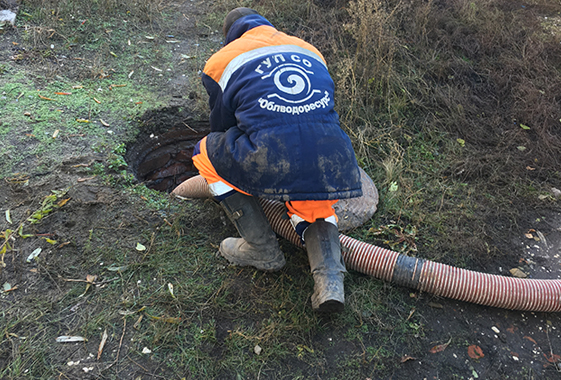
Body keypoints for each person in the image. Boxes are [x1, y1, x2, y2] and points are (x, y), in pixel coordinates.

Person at [191, 7, 362, 313]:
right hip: (334, 154)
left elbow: (222, 127)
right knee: (313, 191)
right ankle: (331, 281)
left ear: (230, 35)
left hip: (272, 152)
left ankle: (261, 248)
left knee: (206, 152)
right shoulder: (309, 49)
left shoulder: (222, 60)